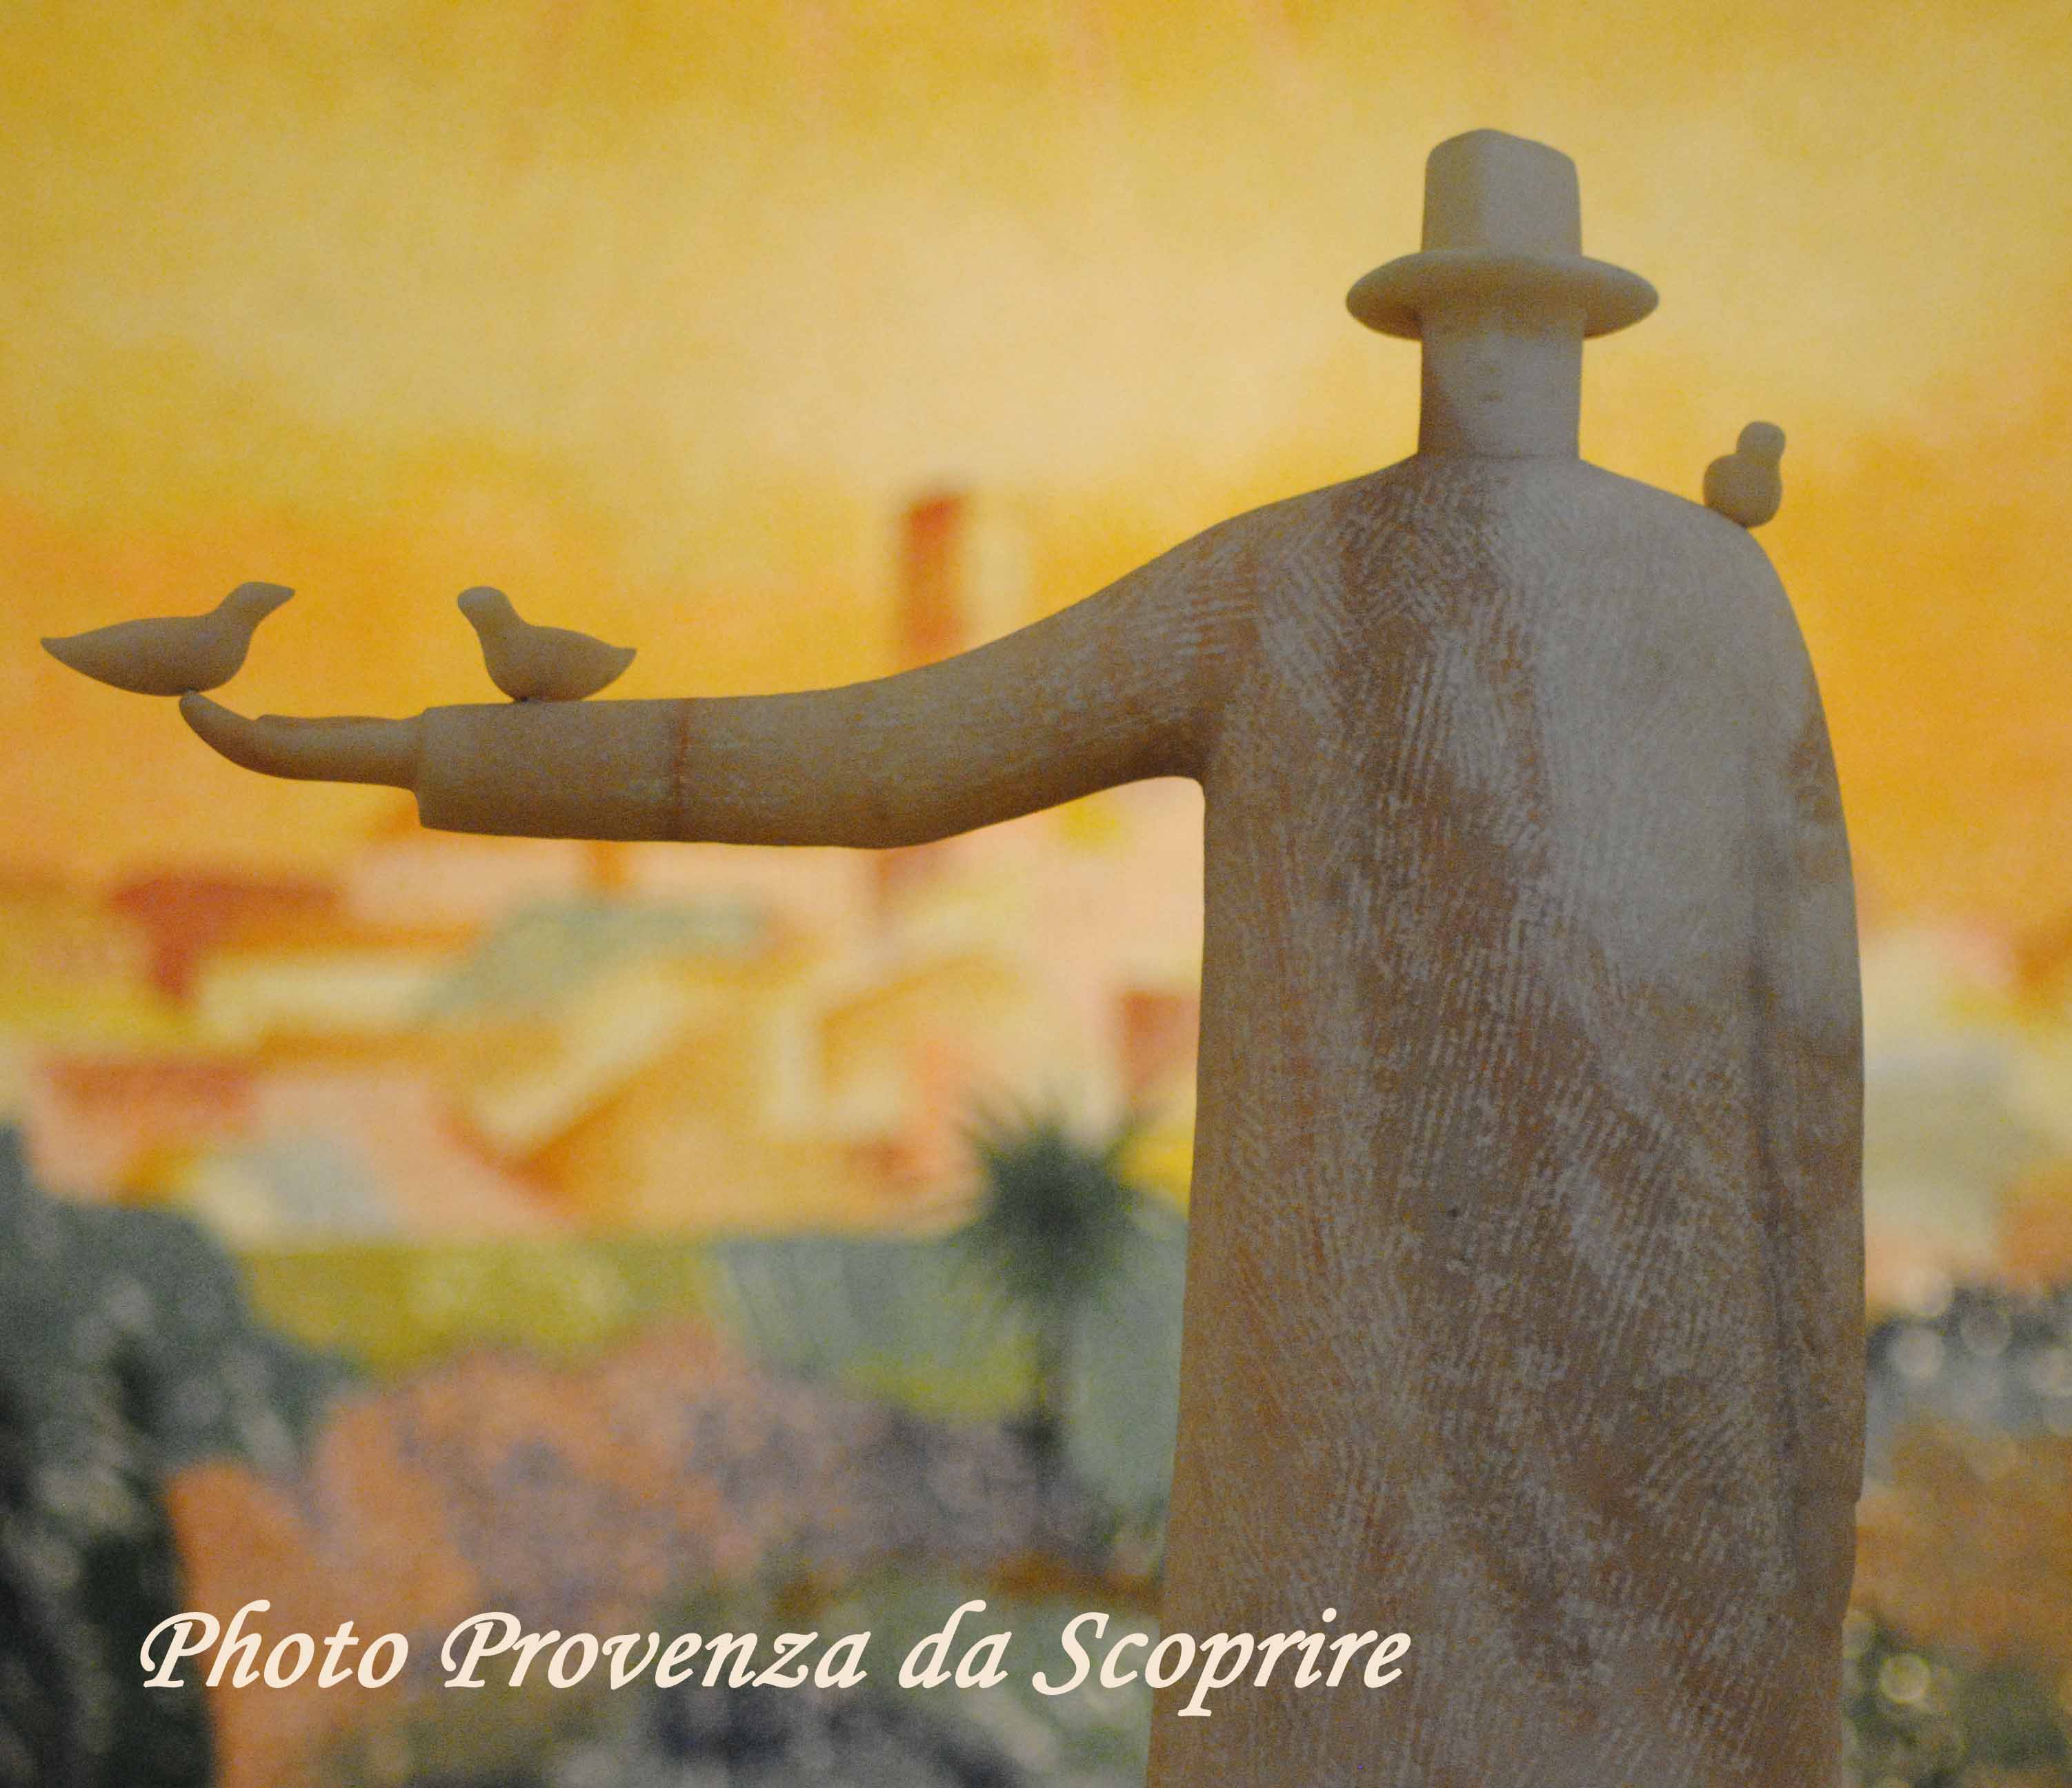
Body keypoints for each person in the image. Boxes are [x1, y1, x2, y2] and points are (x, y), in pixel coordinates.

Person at [181, 128, 1864, 1787]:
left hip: (1631, 1451)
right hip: (1438, 1464)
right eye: (1484, 323)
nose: (1496, 361)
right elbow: (883, 757)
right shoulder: (1317, 585)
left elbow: (1809, 1069)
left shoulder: (1622, 595)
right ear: (1454, 329)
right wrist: (435, 756)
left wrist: (1808, 1491)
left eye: (1512, 323)